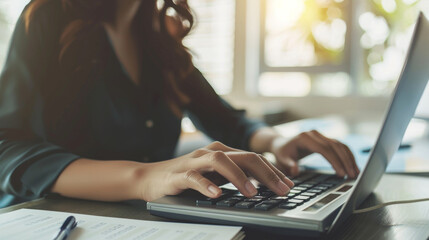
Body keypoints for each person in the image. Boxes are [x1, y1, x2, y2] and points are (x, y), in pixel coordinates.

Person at [0, 0, 359, 207]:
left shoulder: (159, 36)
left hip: (146, 220)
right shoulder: (48, 17)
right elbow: (6, 146)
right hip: (52, 219)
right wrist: (144, 177)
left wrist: (277, 142)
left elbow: (225, 120)